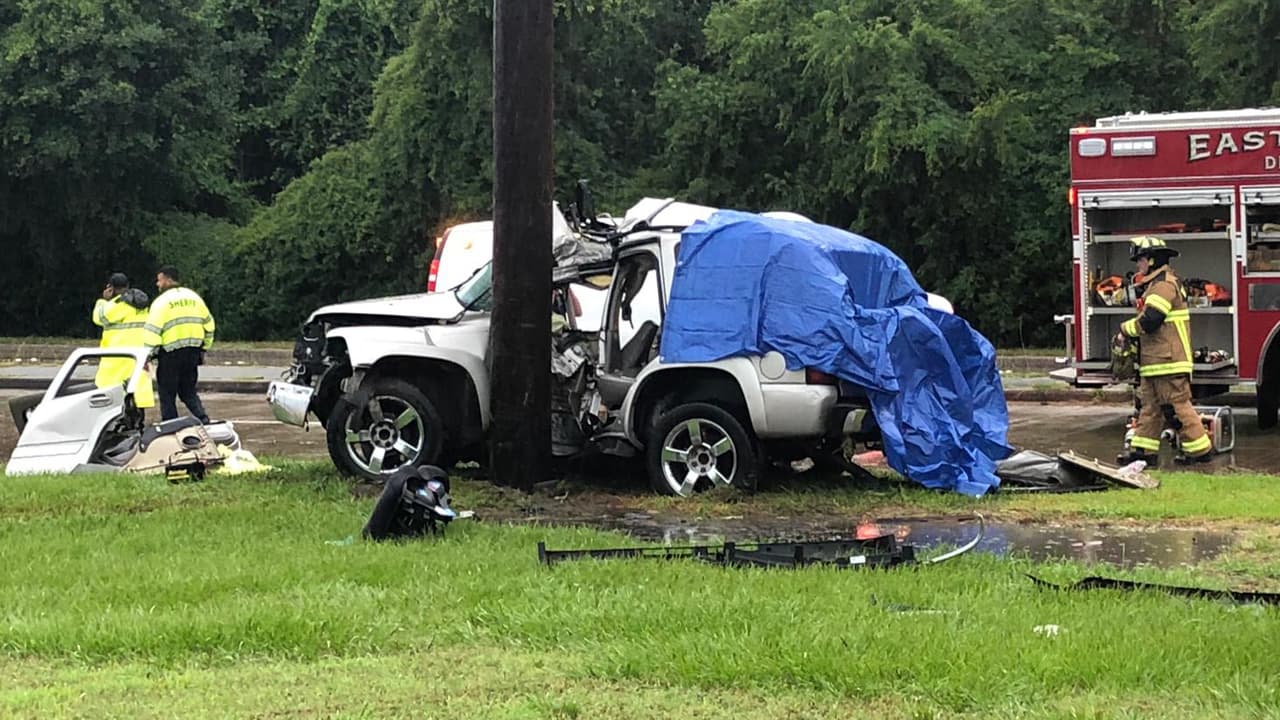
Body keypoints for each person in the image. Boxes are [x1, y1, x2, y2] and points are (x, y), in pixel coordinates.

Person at [1115, 236, 1212, 465]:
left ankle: (1200, 451)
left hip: (1169, 360)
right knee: (1149, 408)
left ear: (1151, 260)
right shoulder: (1155, 284)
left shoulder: (1163, 285)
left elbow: (1151, 320)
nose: (1137, 264)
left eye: (1140, 259)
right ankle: (1143, 453)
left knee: (1178, 407)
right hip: (1156, 361)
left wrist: (1124, 330)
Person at [143, 265, 215, 423]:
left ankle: (171, 426)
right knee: (188, 390)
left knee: (167, 394)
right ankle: (203, 419)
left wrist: (148, 355)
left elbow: (152, 331)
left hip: (170, 354)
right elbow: (209, 325)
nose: (157, 284)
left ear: (168, 280)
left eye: (159, 280)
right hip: (193, 352)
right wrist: (204, 348)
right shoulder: (194, 297)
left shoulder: (161, 302)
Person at [92, 272, 156, 414]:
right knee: (137, 391)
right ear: (127, 286)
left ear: (111, 288)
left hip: (117, 356)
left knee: (112, 393)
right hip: (139, 355)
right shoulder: (142, 306)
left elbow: (99, 317)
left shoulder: (116, 305)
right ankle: (138, 422)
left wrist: (103, 300)